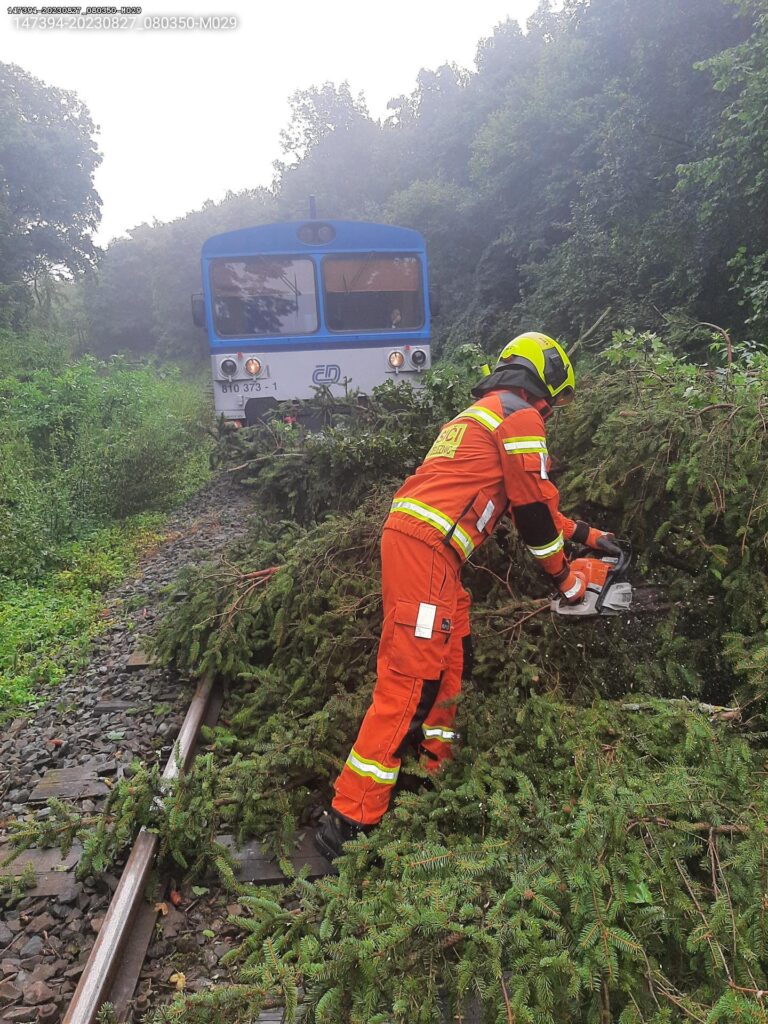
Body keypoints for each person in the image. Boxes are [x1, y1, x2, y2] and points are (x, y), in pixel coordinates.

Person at [314, 332, 620, 860]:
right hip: (426, 553)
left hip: (425, 552)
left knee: (453, 661)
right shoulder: (520, 418)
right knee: (411, 682)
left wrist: (590, 537)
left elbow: (538, 500)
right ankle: (349, 820)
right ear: (543, 381)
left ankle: (431, 772)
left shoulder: (482, 414)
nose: (553, 410)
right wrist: (566, 580)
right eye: (556, 399)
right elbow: (531, 519)